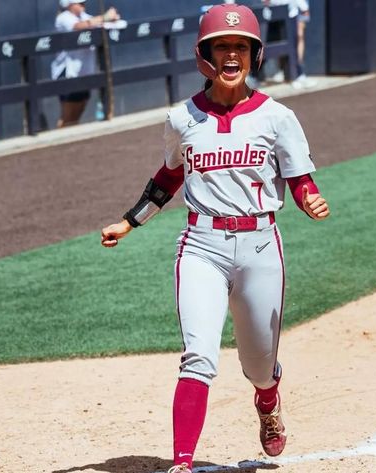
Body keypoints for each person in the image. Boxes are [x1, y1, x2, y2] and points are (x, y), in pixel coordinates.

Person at [100, 4, 329, 472]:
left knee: (259, 364)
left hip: (261, 246)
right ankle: (182, 463)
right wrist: (130, 221)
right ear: (204, 56)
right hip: (201, 248)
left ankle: (267, 399)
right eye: (221, 47)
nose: (231, 55)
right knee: (198, 357)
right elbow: (168, 177)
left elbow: (299, 177)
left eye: (240, 46)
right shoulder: (181, 119)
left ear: (254, 55)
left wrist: (310, 199)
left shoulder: (278, 117)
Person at [51, 0, 120, 128]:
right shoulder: (63, 18)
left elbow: (96, 22)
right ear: (69, 5)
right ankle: (61, 141)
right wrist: (105, 17)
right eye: (79, 3)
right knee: (68, 114)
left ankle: (70, 142)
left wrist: (112, 18)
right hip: (68, 71)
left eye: (83, 3)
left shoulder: (84, 16)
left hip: (84, 71)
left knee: (79, 110)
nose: (83, 5)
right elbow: (78, 26)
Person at [262, 0, 315, 89]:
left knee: (295, 42)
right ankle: (286, 73)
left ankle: (297, 75)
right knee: (275, 42)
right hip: (274, 13)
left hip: (291, 14)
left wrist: (303, 6)